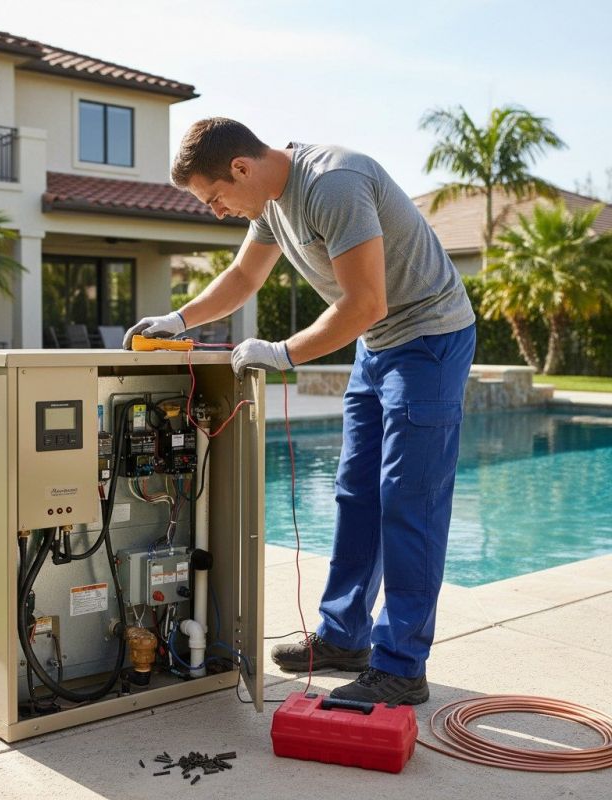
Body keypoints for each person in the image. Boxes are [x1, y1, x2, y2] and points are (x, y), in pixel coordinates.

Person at [123, 118, 476, 705]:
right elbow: (243, 276)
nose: (214, 211)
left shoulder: (332, 184)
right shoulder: (269, 201)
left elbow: (366, 301)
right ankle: (344, 636)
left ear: (240, 168)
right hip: (377, 344)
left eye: (214, 198)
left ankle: (401, 664)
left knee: (409, 501)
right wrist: (178, 320)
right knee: (356, 491)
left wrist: (283, 353)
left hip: (429, 339)